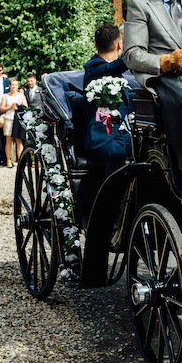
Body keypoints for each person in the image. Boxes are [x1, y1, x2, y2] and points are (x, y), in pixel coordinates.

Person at [78, 24, 132, 221]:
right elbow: (112, 67)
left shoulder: (123, 75)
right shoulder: (93, 68)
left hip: (124, 134)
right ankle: (110, 213)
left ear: (95, 44)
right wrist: (135, 55)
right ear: (120, 45)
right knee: (116, 154)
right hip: (101, 136)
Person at [0, 78, 28, 166]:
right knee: (9, 140)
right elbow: (1, 108)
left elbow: (26, 107)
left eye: (15, 85)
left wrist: (18, 107)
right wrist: (10, 107)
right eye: (12, 84)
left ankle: (20, 160)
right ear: (9, 86)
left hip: (18, 119)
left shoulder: (21, 96)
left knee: (19, 140)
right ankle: (8, 160)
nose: (14, 86)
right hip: (8, 118)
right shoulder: (5, 96)